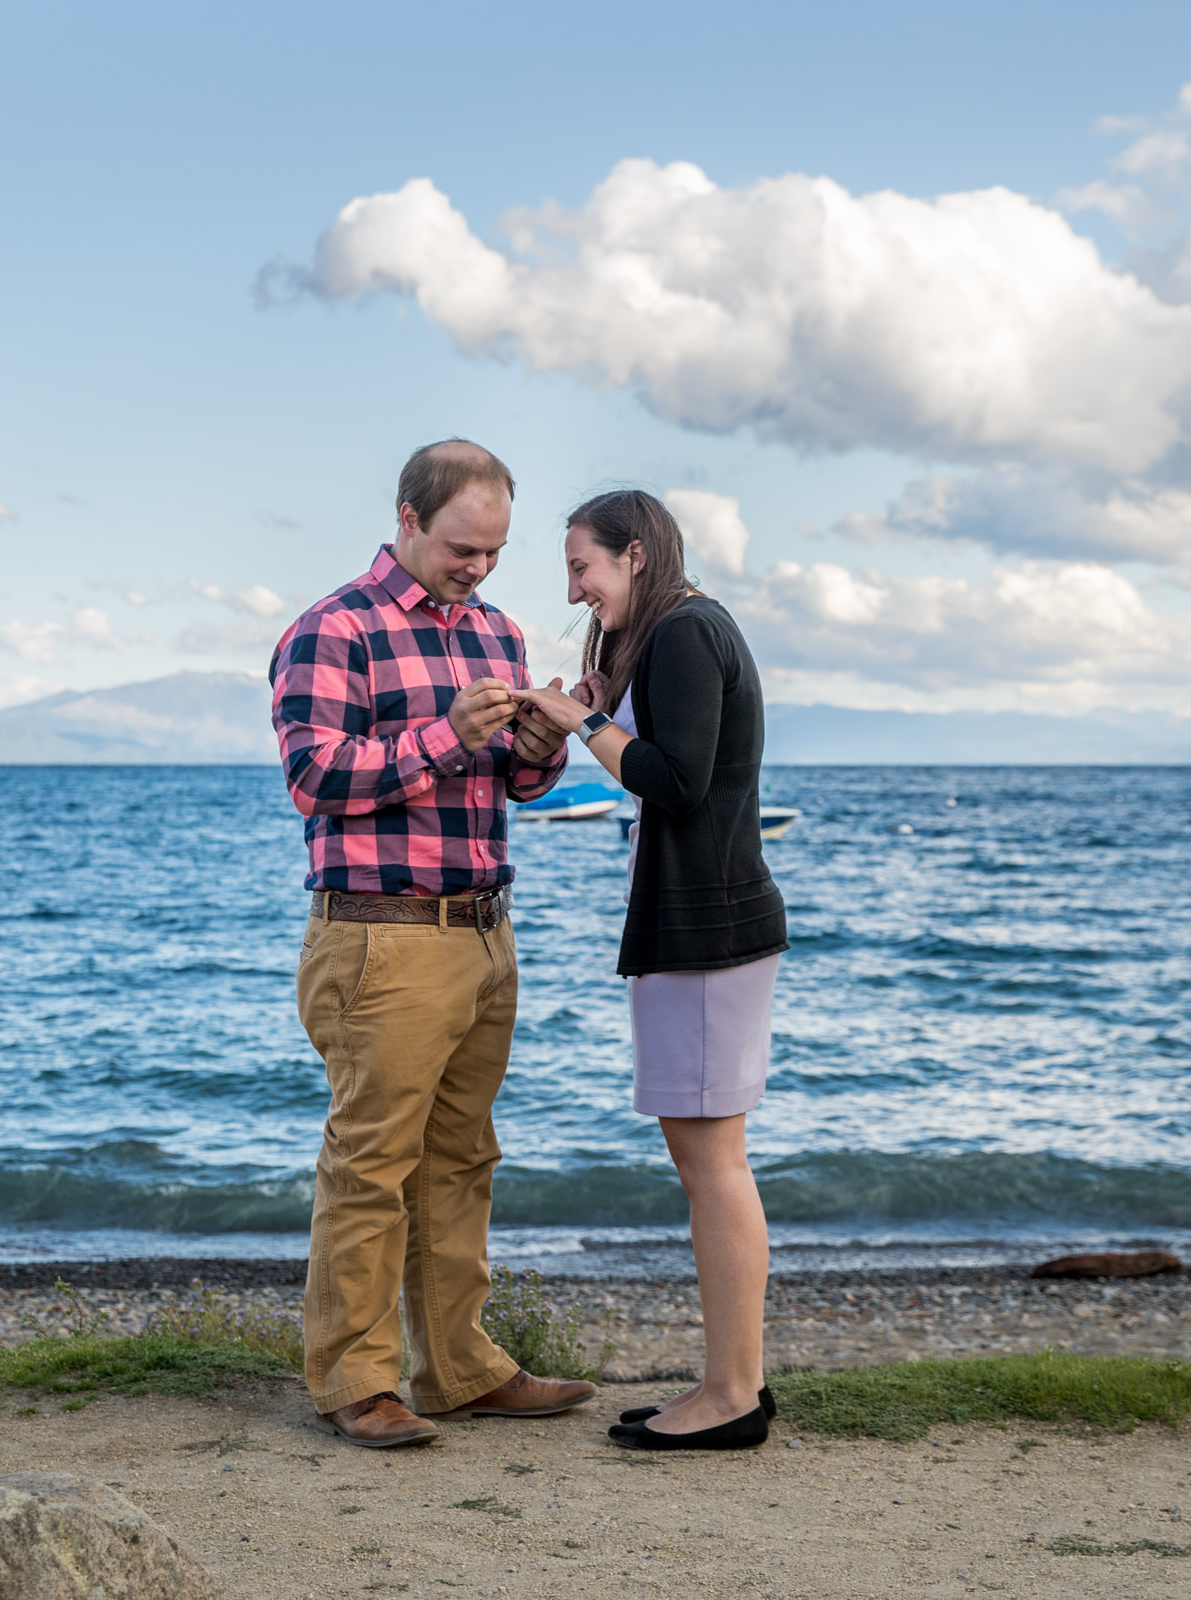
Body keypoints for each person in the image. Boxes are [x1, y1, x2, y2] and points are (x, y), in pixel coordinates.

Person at [268, 439, 598, 1449]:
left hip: (483, 931)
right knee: (371, 1166)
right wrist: (450, 736)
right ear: (408, 519)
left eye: (496, 552)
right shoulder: (333, 631)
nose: (481, 569)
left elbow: (510, 782)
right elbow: (314, 778)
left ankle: (459, 1367)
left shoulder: (497, 633)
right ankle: (356, 1380)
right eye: (464, 548)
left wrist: (536, 748)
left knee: (462, 1160)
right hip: (381, 937)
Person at [511, 489, 787, 1452]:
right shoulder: (671, 632)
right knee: (704, 1158)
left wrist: (579, 724)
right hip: (697, 923)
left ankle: (730, 1396)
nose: (577, 588)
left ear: (635, 554)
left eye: (583, 567)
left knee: (712, 1162)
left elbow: (679, 780)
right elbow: (668, 754)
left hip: (708, 927)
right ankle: (729, 1386)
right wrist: (592, 705)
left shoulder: (685, 628)